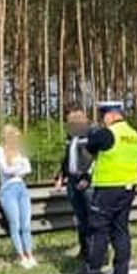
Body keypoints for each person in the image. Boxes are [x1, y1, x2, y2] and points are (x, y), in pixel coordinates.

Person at [74, 101, 137, 274]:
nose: (102, 121)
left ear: (111, 115)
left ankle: (90, 271)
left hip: (108, 187)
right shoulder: (133, 134)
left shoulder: (108, 133)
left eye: (103, 117)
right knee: (120, 229)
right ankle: (121, 272)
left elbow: (89, 149)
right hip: (128, 187)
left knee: (98, 229)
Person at [53, 106, 94, 263]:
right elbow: (67, 158)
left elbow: (95, 159)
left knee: (92, 219)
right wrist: (60, 176)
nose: (69, 122)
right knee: (80, 219)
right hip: (72, 180)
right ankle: (84, 251)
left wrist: (88, 177)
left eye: (72, 119)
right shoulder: (71, 135)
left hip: (86, 181)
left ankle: (96, 252)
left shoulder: (91, 134)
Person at [0, 124, 37, 268]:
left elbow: (28, 169)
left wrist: (17, 169)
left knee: (26, 224)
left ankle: (30, 254)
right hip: (8, 190)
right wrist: (19, 168)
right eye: (13, 136)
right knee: (15, 224)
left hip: (21, 188)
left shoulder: (20, 150)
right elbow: (5, 170)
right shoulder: (0, 150)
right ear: (7, 136)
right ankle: (21, 256)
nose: (15, 139)